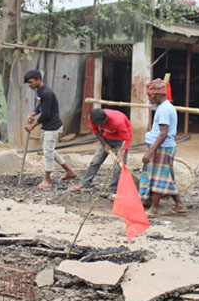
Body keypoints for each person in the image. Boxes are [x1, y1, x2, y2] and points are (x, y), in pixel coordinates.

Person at [139, 78, 186, 217]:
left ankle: (153, 209)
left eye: (150, 96)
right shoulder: (164, 107)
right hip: (163, 147)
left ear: (158, 94)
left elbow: (163, 133)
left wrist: (150, 152)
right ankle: (179, 205)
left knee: (158, 178)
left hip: (162, 148)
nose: (149, 99)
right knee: (166, 177)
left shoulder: (164, 109)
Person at [24, 70, 77, 189]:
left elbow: (46, 114)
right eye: (28, 83)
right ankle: (70, 172)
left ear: (38, 79)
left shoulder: (47, 93)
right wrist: (33, 113)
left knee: (48, 153)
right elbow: (41, 107)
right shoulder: (40, 91)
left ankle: (46, 179)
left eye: (31, 82)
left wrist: (32, 126)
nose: (29, 85)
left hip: (52, 127)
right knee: (50, 151)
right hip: (48, 126)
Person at [70, 108, 132, 194]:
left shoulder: (118, 122)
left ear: (106, 119)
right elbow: (96, 131)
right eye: (98, 124)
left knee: (119, 166)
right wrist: (104, 144)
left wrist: (121, 154)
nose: (100, 126)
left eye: (101, 124)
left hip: (121, 141)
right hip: (107, 138)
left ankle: (112, 189)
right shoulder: (92, 118)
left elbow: (127, 139)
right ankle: (85, 183)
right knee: (95, 161)